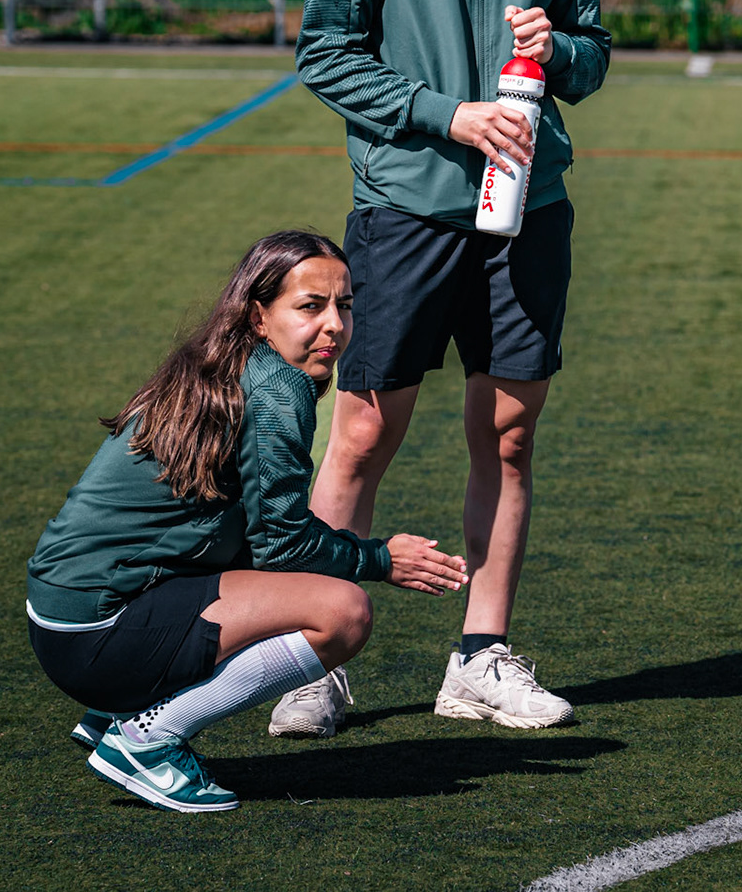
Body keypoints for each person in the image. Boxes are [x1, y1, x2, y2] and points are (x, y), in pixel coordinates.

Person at [278, 0, 611, 737]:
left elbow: (596, 54)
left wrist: (560, 52)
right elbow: (323, 52)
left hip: (529, 209)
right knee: (364, 433)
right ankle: (314, 656)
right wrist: (445, 114)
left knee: (509, 437)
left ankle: (481, 654)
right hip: (408, 208)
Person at [27, 230, 468, 813]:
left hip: (65, 617)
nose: (334, 324)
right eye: (311, 307)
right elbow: (283, 547)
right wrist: (380, 559)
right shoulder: (276, 389)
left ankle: (120, 708)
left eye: (345, 305)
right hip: (95, 632)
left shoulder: (226, 365)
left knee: (272, 571)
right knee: (342, 612)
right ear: (258, 317)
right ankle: (145, 739)